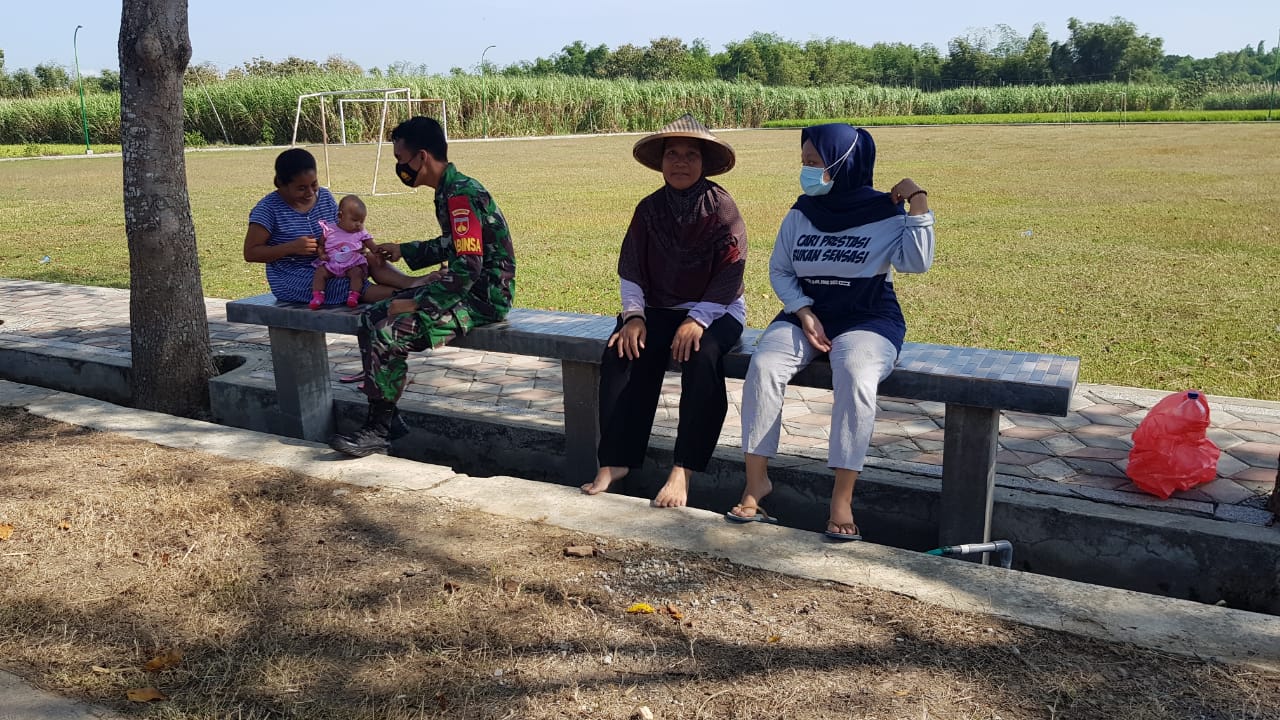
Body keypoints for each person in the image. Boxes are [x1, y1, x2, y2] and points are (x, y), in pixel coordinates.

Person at [727, 123, 934, 539]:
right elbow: (780, 269)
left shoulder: (886, 211)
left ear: (844, 162)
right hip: (807, 315)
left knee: (855, 372)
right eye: (803, 161)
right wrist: (803, 311)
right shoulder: (803, 210)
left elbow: (917, 262)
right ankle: (756, 484)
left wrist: (917, 198)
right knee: (765, 365)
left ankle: (842, 497)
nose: (805, 170)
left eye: (813, 162)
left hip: (867, 318)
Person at [580, 114, 747, 508]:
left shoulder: (721, 207)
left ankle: (683, 471)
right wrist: (633, 316)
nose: (681, 162)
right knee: (621, 349)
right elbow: (632, 267)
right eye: (673, 154)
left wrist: (697, 320)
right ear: (661, 161)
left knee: (703, 354)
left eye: (691, 155)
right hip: (656, 308)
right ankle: (615, 461)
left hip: (718, 310)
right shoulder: (649, 208)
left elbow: (731, 273)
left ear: (704, 162)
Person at [328, 116, 516, 457]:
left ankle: (379, 429)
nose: (400, 168)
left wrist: (418, 304)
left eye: (402, 161)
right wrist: (406, 251)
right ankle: (388, 416)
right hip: (465, 287)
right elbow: (455, 244)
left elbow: (469, 266)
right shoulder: (449, 189)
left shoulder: (459, 196)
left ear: (423, 157)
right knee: (372, 317)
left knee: (389, 330)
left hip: (484, 297)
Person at [244, 148, 422, 306]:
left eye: (314, 184)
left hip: (333, 261)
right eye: (301, 188)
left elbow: (341, 230)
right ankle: (409, 297)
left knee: (369, 261)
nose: (311, 193)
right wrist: (291, 247)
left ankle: (412, 283)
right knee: (346, 284)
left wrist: (358, 248)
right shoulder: (268, 210)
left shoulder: (325, 197)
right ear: (280, 184)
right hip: (292, 277)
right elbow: (251, 253)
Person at [310, 194, 379, 309]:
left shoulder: (360, 232)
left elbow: (372, 245)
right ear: (340, 216)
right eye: (354, 220)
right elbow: (321, 244)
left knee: (357, 273)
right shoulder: (330, 230)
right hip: (331, 263)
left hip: (352, 263)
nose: (359, 224)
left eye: (362, 221)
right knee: (319, 273)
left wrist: (377, 251)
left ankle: (354, 295)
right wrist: (322, 254)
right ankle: (318, 295)